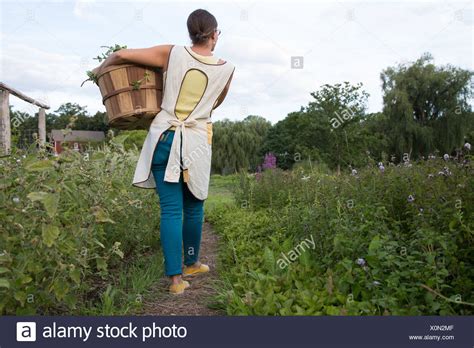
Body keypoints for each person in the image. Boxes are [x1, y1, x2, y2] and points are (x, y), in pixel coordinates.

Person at [93, 9, 235, 294]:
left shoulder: (173, 53)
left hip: (164, 136)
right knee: (194, 207)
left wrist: (99, 72)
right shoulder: (227, 69)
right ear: (215, 34)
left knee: (171, 210)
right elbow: (214, 104)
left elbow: (120, 56)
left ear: (190, 32)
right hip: (195, 141)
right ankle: (192, 262)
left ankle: (175, 280)